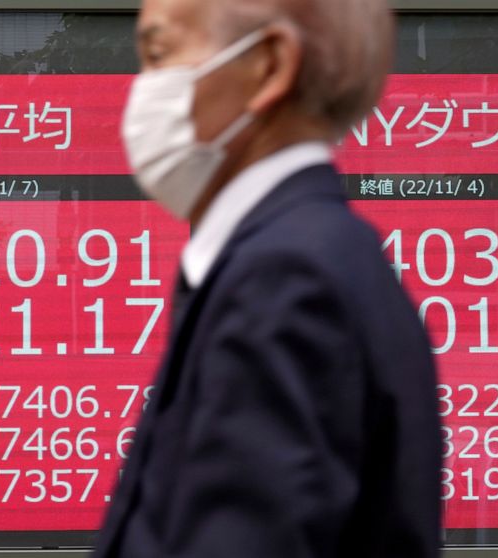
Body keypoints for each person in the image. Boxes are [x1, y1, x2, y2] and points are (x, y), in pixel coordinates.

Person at [94, 0, 441, 556]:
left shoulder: (284, 280)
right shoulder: (324, 255)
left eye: (160, 54)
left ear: (271, 65)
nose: (143, 89)